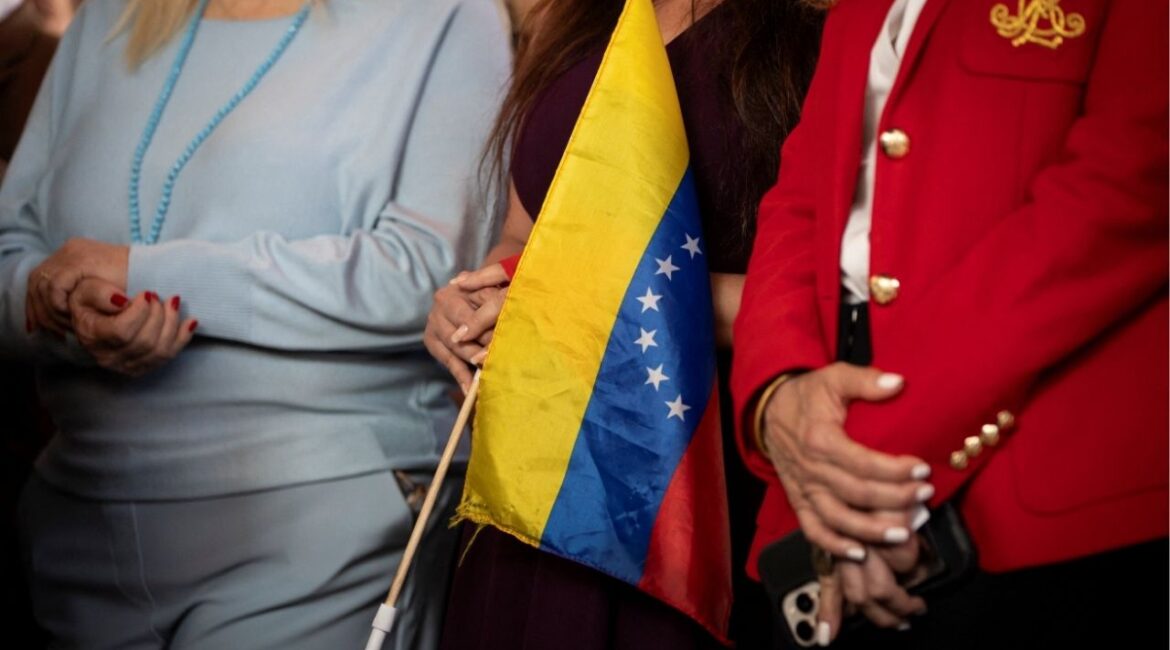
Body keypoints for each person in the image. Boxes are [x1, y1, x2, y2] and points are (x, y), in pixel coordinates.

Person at [0, 0, 512, 647]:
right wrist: (63, 308)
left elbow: (427, 276)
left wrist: (146, 278)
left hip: (316, 530)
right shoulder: (110, 15)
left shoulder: (445, 15)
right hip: (72, 529)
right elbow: (13, 259)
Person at [732, 0, 1168, 647]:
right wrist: (779, 396)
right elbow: (800, 197)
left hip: (1036, 478)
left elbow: (1126, 190)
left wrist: (853, 472)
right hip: (829, 430)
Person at [423, 0, 822, 647]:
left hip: (678, 478)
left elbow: (830, 301)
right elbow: (523, 234)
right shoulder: (573, 18)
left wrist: (584, 300)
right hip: (537, 472)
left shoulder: (817, 36)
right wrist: (474, 302)